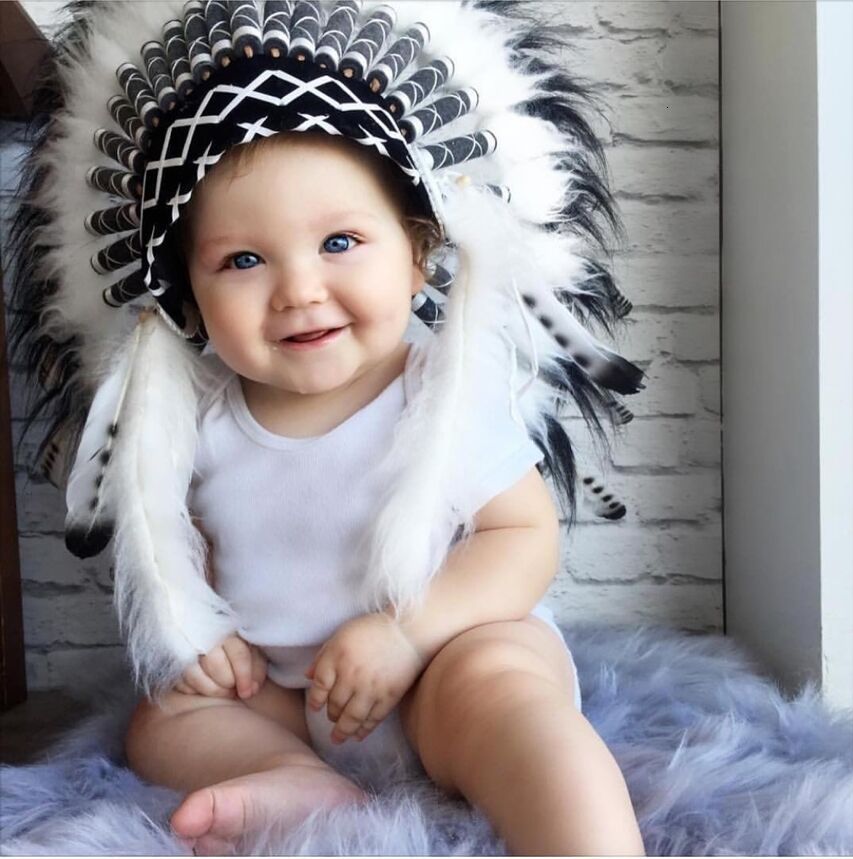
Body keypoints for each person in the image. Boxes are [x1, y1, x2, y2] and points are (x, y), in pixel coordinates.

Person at [8, 1, 647, 855]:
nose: (299, 290)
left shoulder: (439, 391)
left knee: (504, 691)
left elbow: (521, 536)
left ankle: (584, 841)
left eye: (340, 241)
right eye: (243, 260)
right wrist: (207, 638)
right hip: (290, 692)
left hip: (439, 662)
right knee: (166, 719)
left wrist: (406, 633)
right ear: (188, 297)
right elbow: (192, 543)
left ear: (417, 253)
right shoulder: (196, 417)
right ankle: (296, 777)